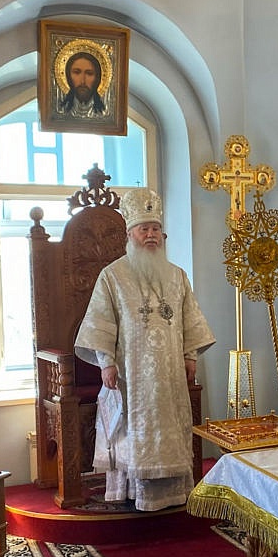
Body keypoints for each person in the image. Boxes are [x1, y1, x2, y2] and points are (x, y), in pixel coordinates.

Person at [75, 187, 215, 511]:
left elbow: (189, 318)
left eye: (155, 229)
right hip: (130, 374)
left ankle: (174, 494)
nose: (151, 235)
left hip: (169, 379)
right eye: (144, 229)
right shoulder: (112, 276)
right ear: (130, 233)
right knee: (132, 431)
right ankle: (134, 494)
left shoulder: (177, 276)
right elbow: (100, 322)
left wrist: (190, 355)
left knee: (171, 429)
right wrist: (106, 363)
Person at [56, 50, 107, 118]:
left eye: (89, 73)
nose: (82, 81)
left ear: (98, 78)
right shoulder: (61, 110)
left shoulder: (104, 112)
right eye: (76, 72)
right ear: (68, 76)